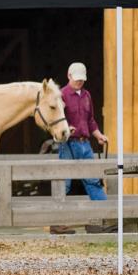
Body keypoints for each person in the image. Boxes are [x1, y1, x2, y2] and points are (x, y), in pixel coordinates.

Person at [58, 62, 109, 200]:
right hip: (68, 144)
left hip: (85, 144)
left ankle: (104, 216)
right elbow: (56, 120)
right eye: (77, 78)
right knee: (65, 183)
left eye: (82, 79)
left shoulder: (87, 95)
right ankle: (59, 220)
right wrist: (66, 129)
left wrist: (99, 135)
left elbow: (90, 120)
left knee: (93, 180)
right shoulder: (61, 95)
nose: (80, 81)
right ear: (69, 76)